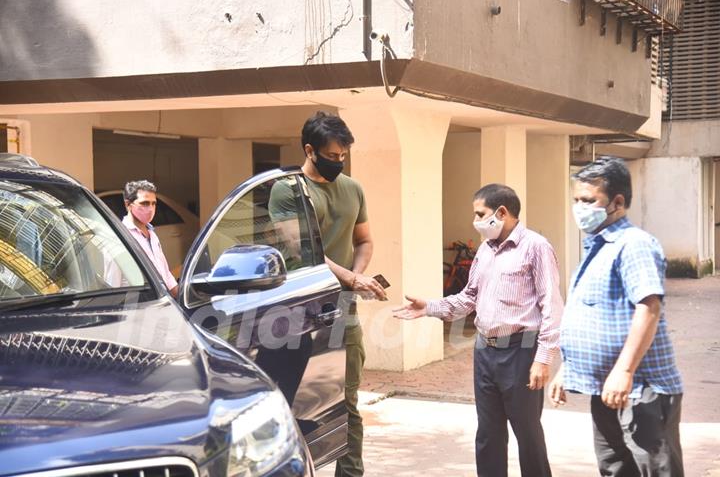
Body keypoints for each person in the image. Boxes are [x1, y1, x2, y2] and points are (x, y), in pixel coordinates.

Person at [394, 184, 562, 477]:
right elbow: (469, 297)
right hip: (485, 351)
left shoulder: (536, 247)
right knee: (488, 433)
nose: (476, 221)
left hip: (521, 351)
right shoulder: (485, 249)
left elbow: (552, 305)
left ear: (502, 212)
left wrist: (544, 357)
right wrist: (430, 307)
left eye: (480, 214)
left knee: (528, 433)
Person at [549, 157, 684, 477]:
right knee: (614, 468)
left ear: (618, 202)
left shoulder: (633, 244)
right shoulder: (597, 247)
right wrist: (567, 369)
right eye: (576, 200)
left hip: (640, 388)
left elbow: (648, 307)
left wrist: (624, 371)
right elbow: (591, 315)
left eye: (588, 200)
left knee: (652, 469)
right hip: (604, 387)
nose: (579, 208)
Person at [269, 111, 386, 477]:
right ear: (310, 149)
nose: (339, 162)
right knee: (295, 403)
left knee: (347, 401)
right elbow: (304, 252)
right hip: (296, 312)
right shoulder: (287, 190)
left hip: (341, 311)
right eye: (332, 155)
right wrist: (351, 278)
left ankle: (350, 472)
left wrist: (359, 276)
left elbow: (364, 240)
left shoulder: (353, 189)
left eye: (343, 156)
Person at [121, 180, 179, 298]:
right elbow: (113, 283)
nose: (151, 208)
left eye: (153, 203)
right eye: (145, 203)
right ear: (128, 204)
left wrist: (180, 298)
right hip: (138, 306)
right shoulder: (121, 236)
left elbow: (165, 274)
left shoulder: (152, 234)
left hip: (161, 303)